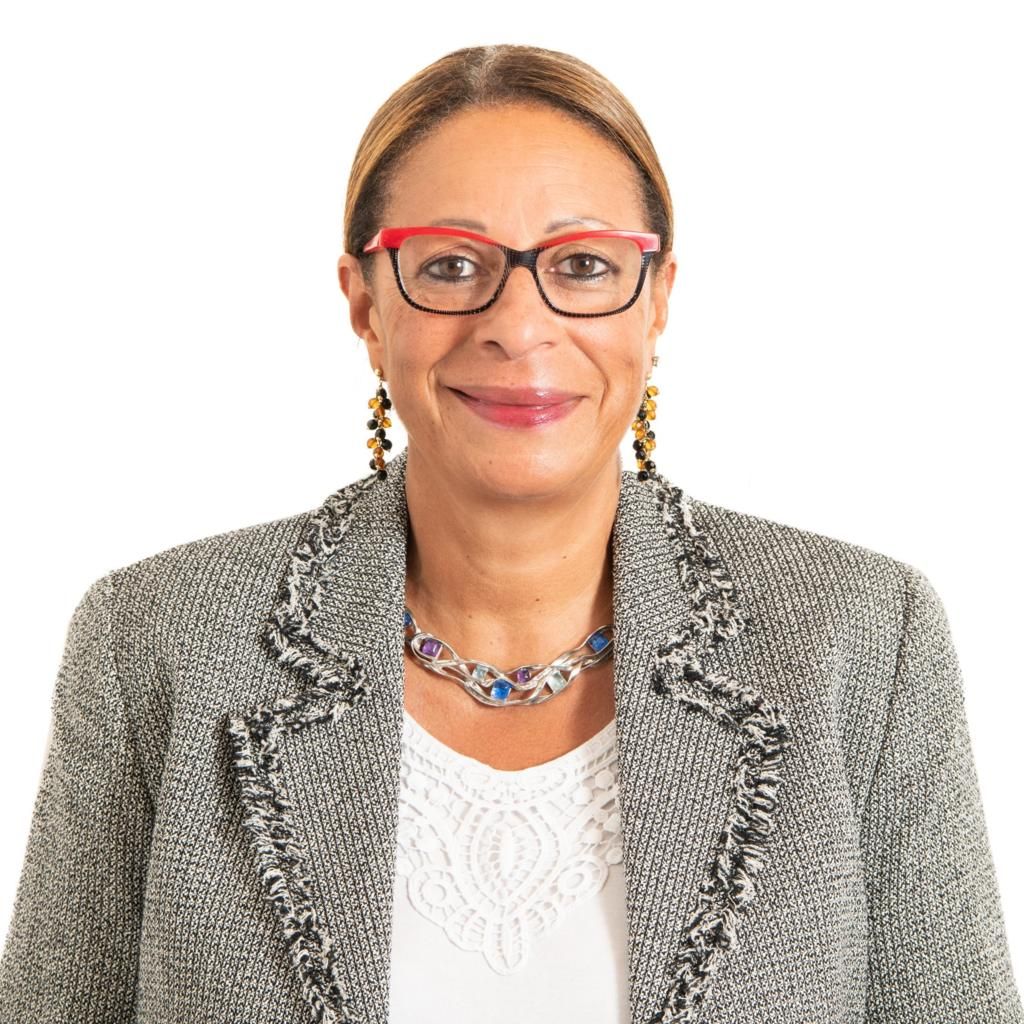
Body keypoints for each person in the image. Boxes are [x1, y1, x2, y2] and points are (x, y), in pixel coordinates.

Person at [0, 42, 1021, 1024]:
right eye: (451, 265)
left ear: (657, 302)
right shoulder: (156, 639)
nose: (519, 326)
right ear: (365, 305)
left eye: (582, 265)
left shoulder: (859, 638)